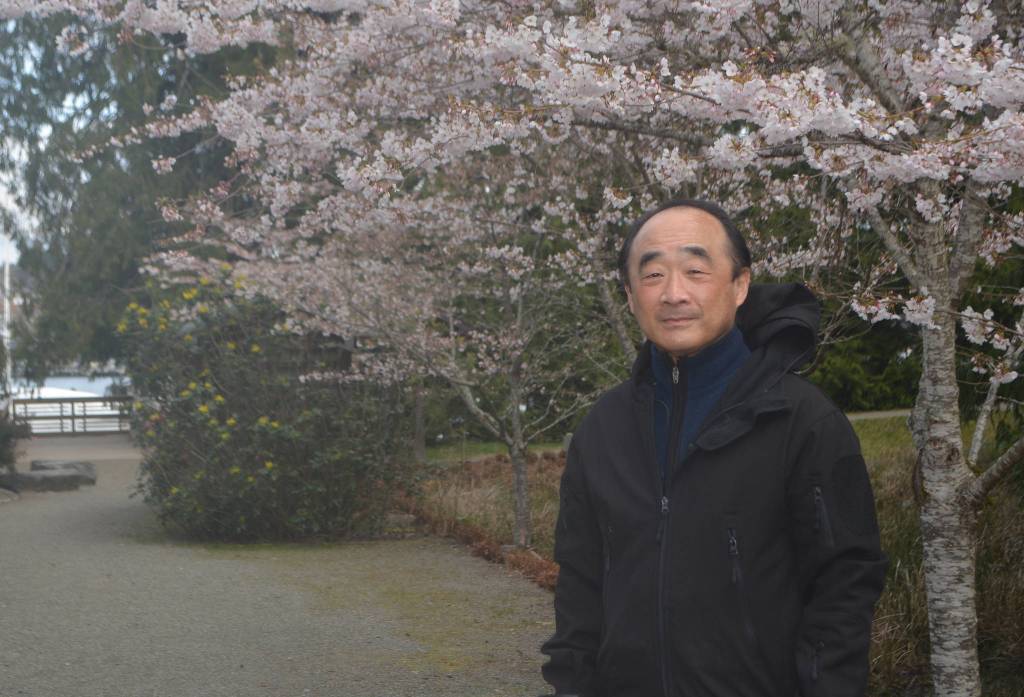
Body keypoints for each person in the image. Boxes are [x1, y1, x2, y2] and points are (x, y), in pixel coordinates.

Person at [540, 200, 887, 697]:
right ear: (630, 295)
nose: (674, 293)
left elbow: (844, 585)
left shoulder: (801, 421)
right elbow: (580, 582)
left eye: (696, 270)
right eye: (653, 274)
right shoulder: (602, 429)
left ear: (740, 285)